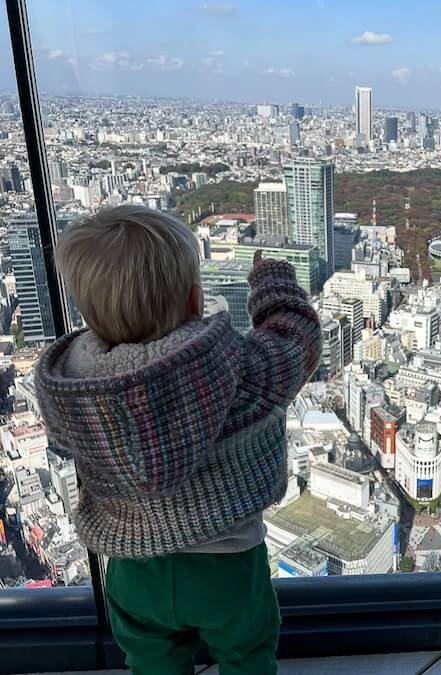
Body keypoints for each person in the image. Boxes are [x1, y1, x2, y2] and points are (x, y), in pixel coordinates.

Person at [35, 205, 322, 675]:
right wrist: (271, 279)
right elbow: (296, 339)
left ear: (87, 313)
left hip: (132, 570)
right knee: (246, 656)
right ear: (194, 300)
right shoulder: (237, 370)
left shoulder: (68, 389)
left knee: (152, 662)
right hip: (226, 564)